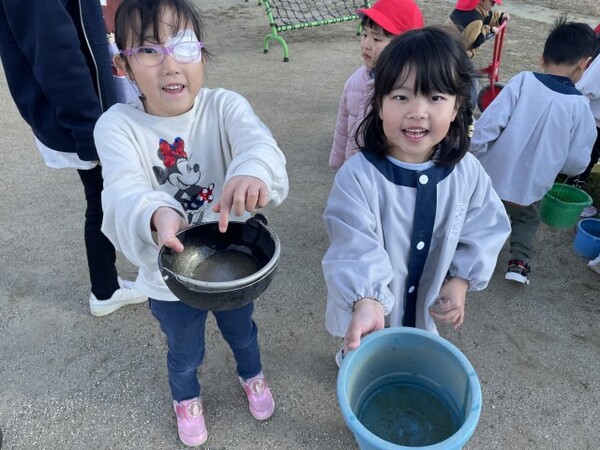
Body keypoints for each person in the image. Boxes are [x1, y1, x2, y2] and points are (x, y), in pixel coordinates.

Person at [94, 0, 289, 446]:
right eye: (148, 49)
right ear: (123, 66)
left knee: (243, 332)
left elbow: (257, 143)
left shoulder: (224, 107)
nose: (170, 64)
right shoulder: (117, 126)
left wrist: (252, 171)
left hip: (234, 267)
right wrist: (155, 212)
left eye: (183, 45)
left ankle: (252, 374)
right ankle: (186, 397)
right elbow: (122, 190)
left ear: (200, 53)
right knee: (184, 350)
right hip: (170, 277)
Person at [322, 27, 511, 363]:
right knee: (367, 358)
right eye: (401, 97)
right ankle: (352, 355)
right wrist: (368, 299)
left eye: (435, 97)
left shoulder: (467, 173)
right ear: (379, 104)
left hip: (427, 303)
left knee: (415, 357)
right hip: (371, 313)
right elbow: (353, 244)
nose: (418, 111)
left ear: (456, 106)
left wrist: (460, 279)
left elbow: (485, 226)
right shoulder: (358, 177)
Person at [0, 0, 147, 316]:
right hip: (86, 114)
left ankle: (106, 288)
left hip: (91, 107)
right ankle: (110, 289)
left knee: (102, 196)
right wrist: (89, 133)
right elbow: (53, 51)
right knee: (105, 196)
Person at [470, 17, 597, 285]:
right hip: (532, 185)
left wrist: (474, 152)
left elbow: (489, 124)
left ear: (542, 58)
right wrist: (559, 164)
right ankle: (518, 264)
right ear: (584, 65)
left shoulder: (523, 81)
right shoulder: (580, 107)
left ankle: (470, 255)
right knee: (527, 221)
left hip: (493, 174)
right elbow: (577, 161)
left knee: (482, 215)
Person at [328, 0, 423, 169]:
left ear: (406, 45)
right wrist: (340, 164)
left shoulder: (414, 88)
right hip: (356, 169)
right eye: (364, 35)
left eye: (377, 39)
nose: (366, 45)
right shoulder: (355, 81)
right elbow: (343, 130)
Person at [565, 25, 600, 218]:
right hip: (591, 117)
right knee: (586, 156)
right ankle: (569, 197)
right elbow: (586, 88)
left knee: (590, 155)